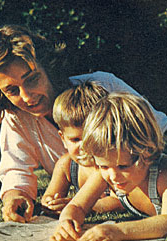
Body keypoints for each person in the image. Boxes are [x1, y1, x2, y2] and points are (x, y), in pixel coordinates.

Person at [0, 24, 167, 223]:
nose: (27, 97)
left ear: (47, 67)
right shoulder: (17, 118)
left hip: (146, 185)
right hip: (98, 190)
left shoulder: (100, 86)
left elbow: (160, 126)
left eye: (32, 79)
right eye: (12, 90)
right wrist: (15, 196)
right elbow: (15, 168)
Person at [50, 93, 167, 241]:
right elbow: (77, 206)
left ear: (147, 153)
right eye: (103, 166)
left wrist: (118, 231)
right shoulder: (107, 171)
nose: (113, 176)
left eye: (123, 166)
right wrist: (67, 222)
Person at [41, 82, 123, 214]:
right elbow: (50, 195)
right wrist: (51, 202)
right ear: (63, 138)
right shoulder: (66, 165)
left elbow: (119, 202)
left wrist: (80, 205)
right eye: (75, 140)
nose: (84, 146)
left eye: (89, 138)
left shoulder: (112, 166)